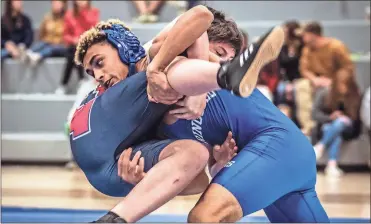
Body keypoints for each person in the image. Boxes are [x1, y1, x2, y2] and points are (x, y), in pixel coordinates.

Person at [70, 5, 285, 223]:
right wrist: (194, 89)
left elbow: (197, 181)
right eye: (218, 55)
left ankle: (114, 219)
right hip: (97, 137)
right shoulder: (151, 54)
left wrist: (216, 164)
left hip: (111, 172)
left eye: (98, 64)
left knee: (195, 153)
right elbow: (201, 14)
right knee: (169, 64)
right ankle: (226, 74)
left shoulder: (187, 108)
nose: (97, 75)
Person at [297, 21, 354, 136]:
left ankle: (333, 122)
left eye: (304, 35)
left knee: (330, 90)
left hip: (334, 82)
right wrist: (314, 79)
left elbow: (347, 67)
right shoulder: (307, 49)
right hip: (316, 82)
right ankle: (309, 127)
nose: (302, 38)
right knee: (301, 85)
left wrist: (334, 81)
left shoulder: (336, 46)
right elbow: (304, 69)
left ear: (313, 34)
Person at [312, 72, 362, 177]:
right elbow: (315, 114)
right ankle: (332, 165)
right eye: (340, 84)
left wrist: (343, 116)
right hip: (330, 126)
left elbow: (356, 118)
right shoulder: (326, 93)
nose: (342, 87)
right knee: (335, 132)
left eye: (345, 84)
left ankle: (320, 146)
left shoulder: (355, 95)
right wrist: (330, 117)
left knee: (340, 122)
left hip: (349, 127)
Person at [55, 0, 99, 95]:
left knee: (74, 52)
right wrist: (74, 39)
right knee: (73, 52)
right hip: (74, 45)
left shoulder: (93, 12)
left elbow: (95, 30)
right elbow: (65, 35)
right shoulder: (69, 14)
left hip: (89, 43)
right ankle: (81, 79)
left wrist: (83, 38)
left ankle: (64, 84)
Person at [276, 20, 303, 125]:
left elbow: (302, 67)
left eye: (285, 31)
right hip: (286, 79)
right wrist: (287, 82)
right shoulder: (283, 48)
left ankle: (298, 122)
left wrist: (295, 81)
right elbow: (281, 66)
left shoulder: (302, 48)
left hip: (300, 78)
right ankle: (284, 119)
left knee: (297, 89)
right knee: (281, 88)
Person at [25, 0, 68, 67]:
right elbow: (42, 33)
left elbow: (67, 36)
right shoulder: (47, 17)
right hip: (48, 42)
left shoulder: (67, 18)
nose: (56, 5)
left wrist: (57, 42)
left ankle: (38, 56)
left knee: (51, 48)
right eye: (54, 3)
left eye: (58, 3)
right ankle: (28, 53)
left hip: (61, 45)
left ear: (63, 4)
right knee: (43, 43)